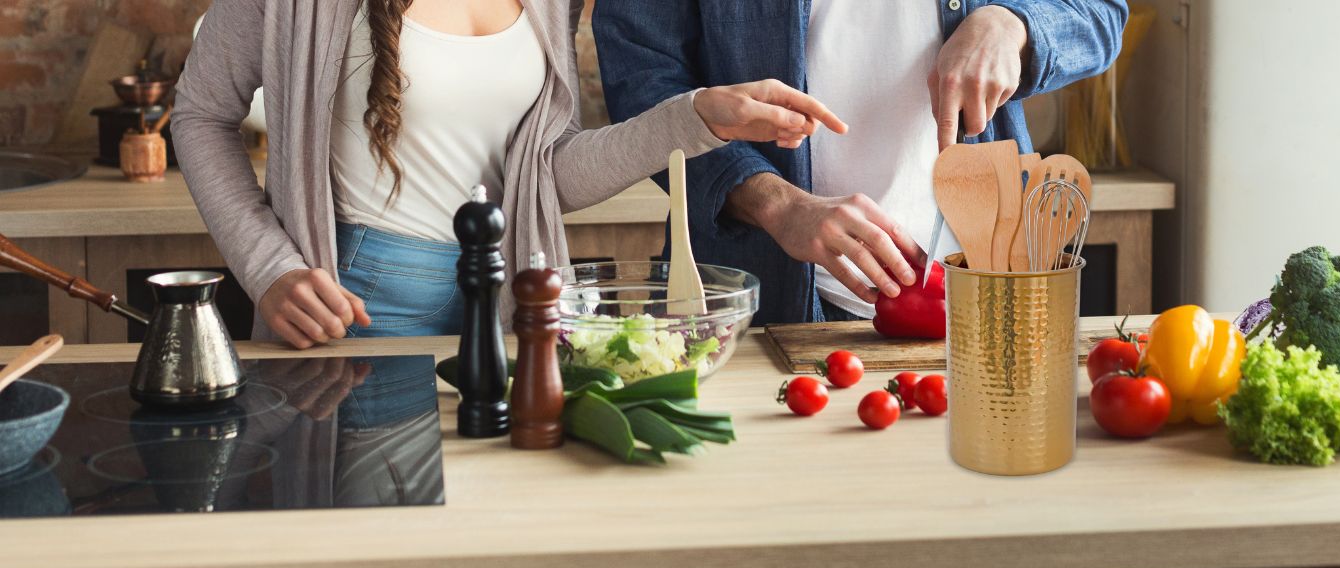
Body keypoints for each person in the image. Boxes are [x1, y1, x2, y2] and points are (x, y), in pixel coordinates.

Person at [173, 0, 846, 349]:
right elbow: (200, 113)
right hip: (360, 307)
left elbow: (543, 179)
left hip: (512, 306)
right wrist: (269, 267)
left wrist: (696, 117)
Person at [595, 0, 1127, 325]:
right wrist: (776, 203)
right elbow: (641, 78)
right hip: (760, 293)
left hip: (984, 282)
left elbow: (1101, 11)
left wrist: (1013, 24)